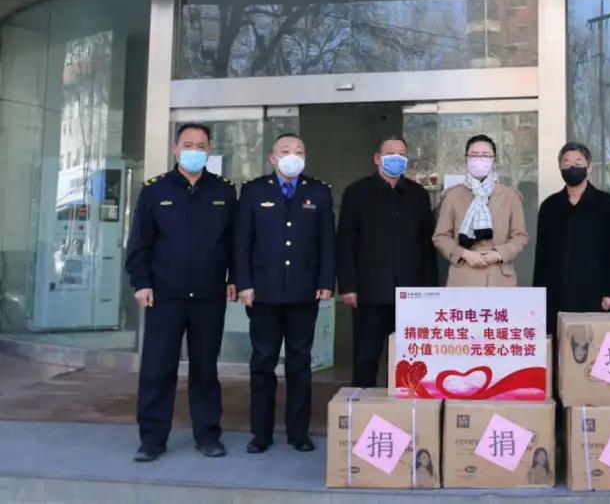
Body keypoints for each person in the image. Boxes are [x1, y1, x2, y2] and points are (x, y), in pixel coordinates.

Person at [125, 123, 236, 462]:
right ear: (176, 149)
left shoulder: (224, 191)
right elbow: (139, 242)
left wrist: (235, 277)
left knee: (205, 369)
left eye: (201, 146)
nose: (194, 151)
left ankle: (208, 435)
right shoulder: (155, 190)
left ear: (209, 150)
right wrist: (141, 282)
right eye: (188, 145)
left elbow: (234, 242)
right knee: (157, 368)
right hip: (164, 295)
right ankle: (152, 439)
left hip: (209, 295)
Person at [233, 133, 334, 454]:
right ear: (272, 158)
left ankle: (298, 432)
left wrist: (326, 281)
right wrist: (243, 283)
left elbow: (327, 241)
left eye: (299, 151)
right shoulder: (254, 190)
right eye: (286, 150)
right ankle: (260, 433)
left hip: (304, 292)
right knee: (263, 363)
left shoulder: (318, 191)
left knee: (300, 363)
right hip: (263, 293)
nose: (293, 155)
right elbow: (241, 242)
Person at [336, 135, 437, 387]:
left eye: (401, 154)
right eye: (390, 153)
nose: (396, 158)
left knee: (407, 359)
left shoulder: (418, 195)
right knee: (366, 357)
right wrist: (348, 285)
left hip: (410, 292)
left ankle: (404, 407)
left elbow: (427, 247)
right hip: (369, 292)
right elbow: (345, 242)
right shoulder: (356, 193)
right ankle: (361, 404)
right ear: (377, 158)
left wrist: (430, 290)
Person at [533, 142, 610, 334]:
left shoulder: (608, 205)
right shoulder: (550, 206)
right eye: (566, 163)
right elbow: (542, 255)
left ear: (589, 167)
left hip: (595, 294)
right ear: (560, 167)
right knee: (559, 344)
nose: (572, 167)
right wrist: (538, 295)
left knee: (593, 344)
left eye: (578, 162)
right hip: (557, 292)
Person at [433, 134, 528, 286]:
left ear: (494, 159)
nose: (479, 160)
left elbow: (520, 236)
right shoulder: (452, 195)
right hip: (463, 276)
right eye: (474, 155)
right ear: (466, 159)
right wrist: (464, 254)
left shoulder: (510, 196)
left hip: (500, 277)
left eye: (485, 155)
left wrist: (499, 254)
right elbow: (441, 237)